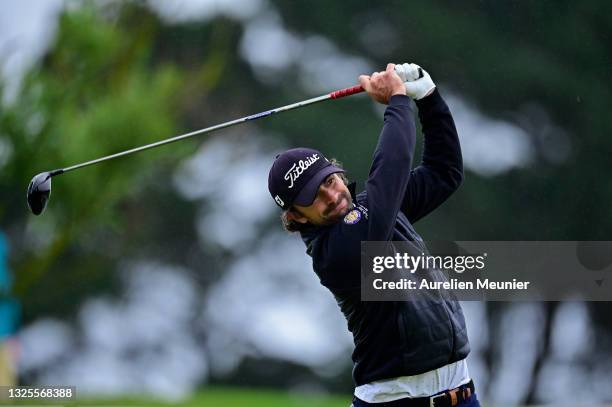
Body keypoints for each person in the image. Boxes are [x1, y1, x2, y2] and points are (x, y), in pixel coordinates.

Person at [268, 62, 479, 407]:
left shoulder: (372, 209)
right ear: (296, 217)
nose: (332, 197)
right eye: (314, 198)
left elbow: (445, 172)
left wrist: (427, 97)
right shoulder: (335, 254)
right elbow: (388, 175)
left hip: (462, 393)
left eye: (330, 181)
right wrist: (397, 101)